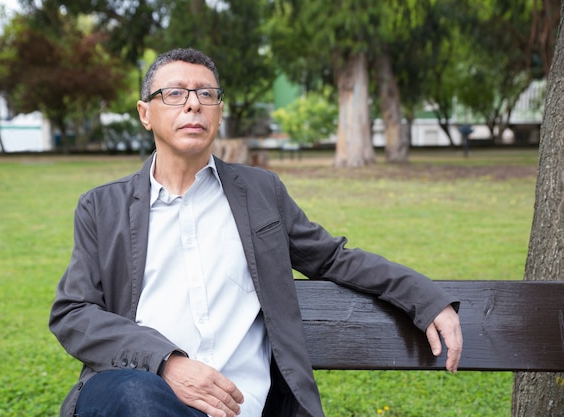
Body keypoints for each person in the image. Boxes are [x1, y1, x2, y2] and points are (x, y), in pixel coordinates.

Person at [49, 47, 462, 417]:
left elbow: (333, 258)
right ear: (145, 113)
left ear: (219, 112)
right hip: (139, 391)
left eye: (206, 94)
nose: (193, 105)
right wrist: (166, 363)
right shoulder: (102, 208)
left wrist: (423, 297)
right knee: (137, 397)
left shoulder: (260, 193)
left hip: (240, 405)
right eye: (174, 94)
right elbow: (73, 313)